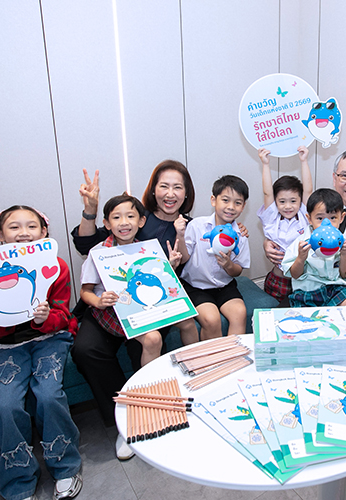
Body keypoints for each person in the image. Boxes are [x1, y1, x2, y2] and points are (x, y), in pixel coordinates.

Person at [70, 162, 198, 460]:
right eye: (117, 218)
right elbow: (86, 283)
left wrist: (171, 267)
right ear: (107, 222)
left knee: (154, 338)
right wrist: (97, 301)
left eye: (177, 187)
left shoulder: (152, 245)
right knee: (86, 350)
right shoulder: (102, 248)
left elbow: (166, 279)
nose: (124, 222)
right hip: (105, 312)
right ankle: (126, 417)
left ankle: (156, 404)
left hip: (141, 310)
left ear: (140, 221)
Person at [0, 206, 82, 500]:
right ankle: (18, 480)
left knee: (49, 395)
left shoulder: (56, 266)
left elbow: (63, 316)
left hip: (50, 338)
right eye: (14, 227)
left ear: (44, 232)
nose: (24, 233)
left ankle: (65, 466)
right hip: (7, 344)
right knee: (5, 405)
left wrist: (45, 318)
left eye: (32, 226)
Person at [281, 188, 346, 350]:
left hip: (336, 289)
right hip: (308, 291)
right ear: (309, 219)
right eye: (320, 218)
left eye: (333, 218)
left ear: (342, 218)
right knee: (309, 332)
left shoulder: (345, 241)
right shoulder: (301, 242)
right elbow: (295, 275)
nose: (327, 223)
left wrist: (344, 254)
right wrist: (301, 257)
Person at [180, 175, 251, 340]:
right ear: (214, 200)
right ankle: (215, 355)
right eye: (225, 200)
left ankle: (234, 353)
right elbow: (184, 258)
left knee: (240, 313)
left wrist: (228, 264)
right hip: (196, 287)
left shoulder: (240, 235)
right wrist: (180, 235)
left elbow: (238, 271)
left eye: (237, 203)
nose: (231, 207)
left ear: (243, 207)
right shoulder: (197, 226)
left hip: (224, 286)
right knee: (212, 319)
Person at [257, 145, 313, 303]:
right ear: (275, 202)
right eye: (282, 201)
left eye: (293, 201)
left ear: (300, 201)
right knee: (274, 312)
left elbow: (308, 190)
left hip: (303, 280)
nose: (288, 206)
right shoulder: (271, 218)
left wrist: (304, 161)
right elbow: (267, 192)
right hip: (278, 280)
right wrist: (265, 164)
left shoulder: (304, 216)